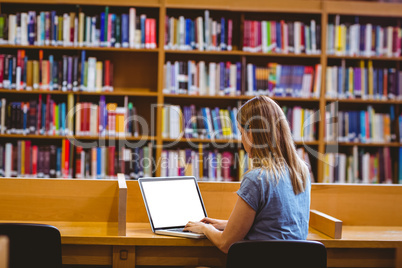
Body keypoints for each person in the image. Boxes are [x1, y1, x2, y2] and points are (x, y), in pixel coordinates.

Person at [184, 95, 311, 253]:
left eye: (241, 132)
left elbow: (225, 244)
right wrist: (226, 225)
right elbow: (275, 225)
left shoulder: (257, 178)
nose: (242, 139)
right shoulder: (301, 172)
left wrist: (205, 229)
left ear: (251, 134)